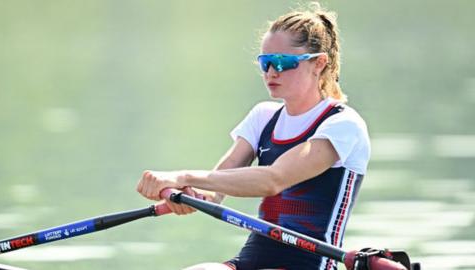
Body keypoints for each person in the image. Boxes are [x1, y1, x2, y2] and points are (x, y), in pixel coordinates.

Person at [137, 2, 370, 270]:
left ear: (318, 63)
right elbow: (213, 191)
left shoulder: (343, 124)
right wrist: (185, 196)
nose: (272, 72)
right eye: (266, 62)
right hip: (251, 260)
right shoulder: (263, 117)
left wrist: (182, 176)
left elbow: (274, 180)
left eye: (283, 62)